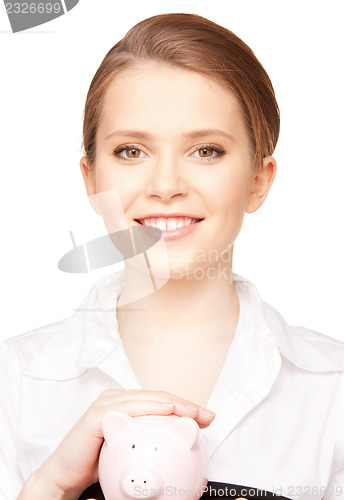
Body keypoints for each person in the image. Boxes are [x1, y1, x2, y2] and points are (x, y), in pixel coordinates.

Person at [1, 12, 343, 500]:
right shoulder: (13, 383)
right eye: (131, 151)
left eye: (205, 151)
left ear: (259, 179)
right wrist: (50, 485)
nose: (165, 187)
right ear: (91, 180)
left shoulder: (333, 392)